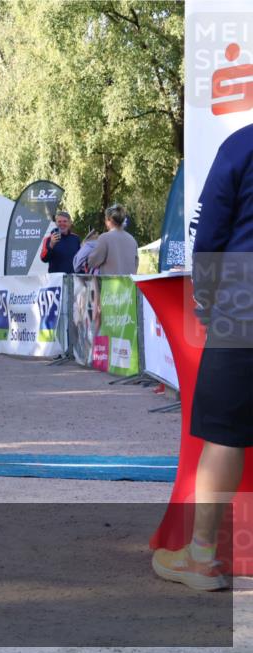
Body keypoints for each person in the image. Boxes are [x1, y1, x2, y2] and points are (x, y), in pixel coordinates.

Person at [152, 123, 253, 592]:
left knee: (224, 435)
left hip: (243, 301)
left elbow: (210, 231)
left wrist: (207, 302)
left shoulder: (241, 144)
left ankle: (201, 558)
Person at [87, 204, 138, 275]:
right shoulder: (132, 240)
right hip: (128, 285)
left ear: (108, 220)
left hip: (110, 284)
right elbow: (135, 265)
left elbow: (92, 262)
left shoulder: (104, 238)